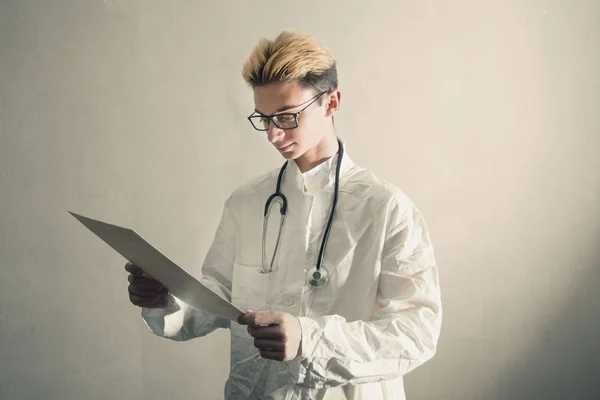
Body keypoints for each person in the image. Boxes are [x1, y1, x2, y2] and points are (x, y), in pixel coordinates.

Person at [125, 30, 442, 400]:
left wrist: (309, 339)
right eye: (264, 118)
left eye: (288, 116)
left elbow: (416, 333)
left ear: (332, 102)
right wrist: (165, 297)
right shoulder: (247, 202)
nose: (274, 135)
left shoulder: (387, 208)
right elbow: (218, 297)